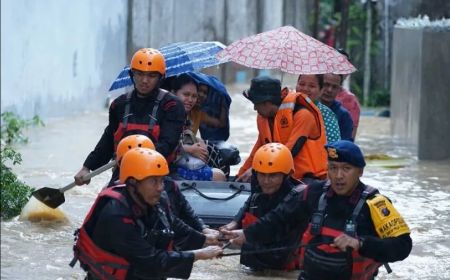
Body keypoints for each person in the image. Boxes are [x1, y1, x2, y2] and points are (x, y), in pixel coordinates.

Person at [223, 140, 412, 280]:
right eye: (333, 168)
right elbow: (278, 219)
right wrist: (246, 234)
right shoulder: (312, 193)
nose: (338, 176)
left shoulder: (376, 204)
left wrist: (360, 244)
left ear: (360, 171)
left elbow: (403, 246)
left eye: (346, 169)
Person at [71, 147, 223, 280]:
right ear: (132, 184)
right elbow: (151, 260)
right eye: (153, 182)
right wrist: (199, 254)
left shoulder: (154, 198)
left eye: (162, 181)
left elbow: (172, 223)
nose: (160, 188)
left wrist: (204, 239)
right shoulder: (115, 215)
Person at [74, 48, 186, 186]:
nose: (144, 80)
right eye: (139, 74)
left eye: (151, 76)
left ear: (160, 78)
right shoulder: (118, 105)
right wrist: (87, 167)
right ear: (131, 75)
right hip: (124, 173)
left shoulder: (172, 106)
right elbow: (108, 140)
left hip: (160, 173)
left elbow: (168, 144)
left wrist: (134, 158)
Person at [113, 135, 220, 240]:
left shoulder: (167, 185)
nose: (159, 188)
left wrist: (203, 230)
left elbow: (179, 216)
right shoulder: (114, 203)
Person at [220, 143, 304, 271]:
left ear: (286, 175)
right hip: (254, 267)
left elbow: (279, 255)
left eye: (273, 176)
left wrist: (244, 240)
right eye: (262, 175)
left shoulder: (298, 199)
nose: (266, 181)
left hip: (282, 269)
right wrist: (234, 223)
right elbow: (250, 202)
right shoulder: (258, 193)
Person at [236, 76, 328, 183]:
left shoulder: (303, 115)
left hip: (309, 179)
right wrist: (239, 176)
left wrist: (254, 170)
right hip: (280, 178)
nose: (255, 108)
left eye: (256, 104)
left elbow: (287, 153)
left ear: (267, 103)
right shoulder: (263, 118)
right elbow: (256, 153)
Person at [170, 74, 226, 181]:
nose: (190, 100)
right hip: (169, 167)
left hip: (182, 160)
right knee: (219, 176)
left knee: (212, 151)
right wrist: (190, 149)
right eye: (186, 94)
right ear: (173, 93)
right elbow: (163, 145)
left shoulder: (186, 115)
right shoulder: (167, 114)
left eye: (194, 96)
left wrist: (199, 141)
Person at [296, 74, 341, 143]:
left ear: (321, 90)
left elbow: (333, 146)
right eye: (302, 84)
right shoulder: (286, 107)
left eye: (312, 86)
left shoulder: (326, 114)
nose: (305, 89)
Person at [336, 49, 361, 140]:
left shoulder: (350, 100)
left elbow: (351, 136)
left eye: (343, 65)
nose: (339, 68)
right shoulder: (314, 92)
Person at [321, 73, 354, 141]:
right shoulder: (307, 108)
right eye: (326, 85)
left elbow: (346, 145)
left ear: (339, 89)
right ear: (319, 84)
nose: (329, 90)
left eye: (334, 87)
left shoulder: (344, 116)